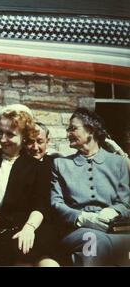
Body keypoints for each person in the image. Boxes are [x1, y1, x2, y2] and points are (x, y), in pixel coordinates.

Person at [0, 110, 59, 266]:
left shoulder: (37, 167)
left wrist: (29, 228)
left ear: (24, 136)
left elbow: (41, 204)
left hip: (29, 229)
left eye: (10, 134)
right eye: (0, 132)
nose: (3, 139)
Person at [51, 107, 130, 266]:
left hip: (113, 228)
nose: (68, 134)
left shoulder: (118, 163)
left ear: (90, 130)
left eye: (73, 129)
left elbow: (126, 203)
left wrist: (112, 211)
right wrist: (83, 218)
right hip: (76, 231)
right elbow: (56, 203)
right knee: (93, 241)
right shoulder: (60, 164)